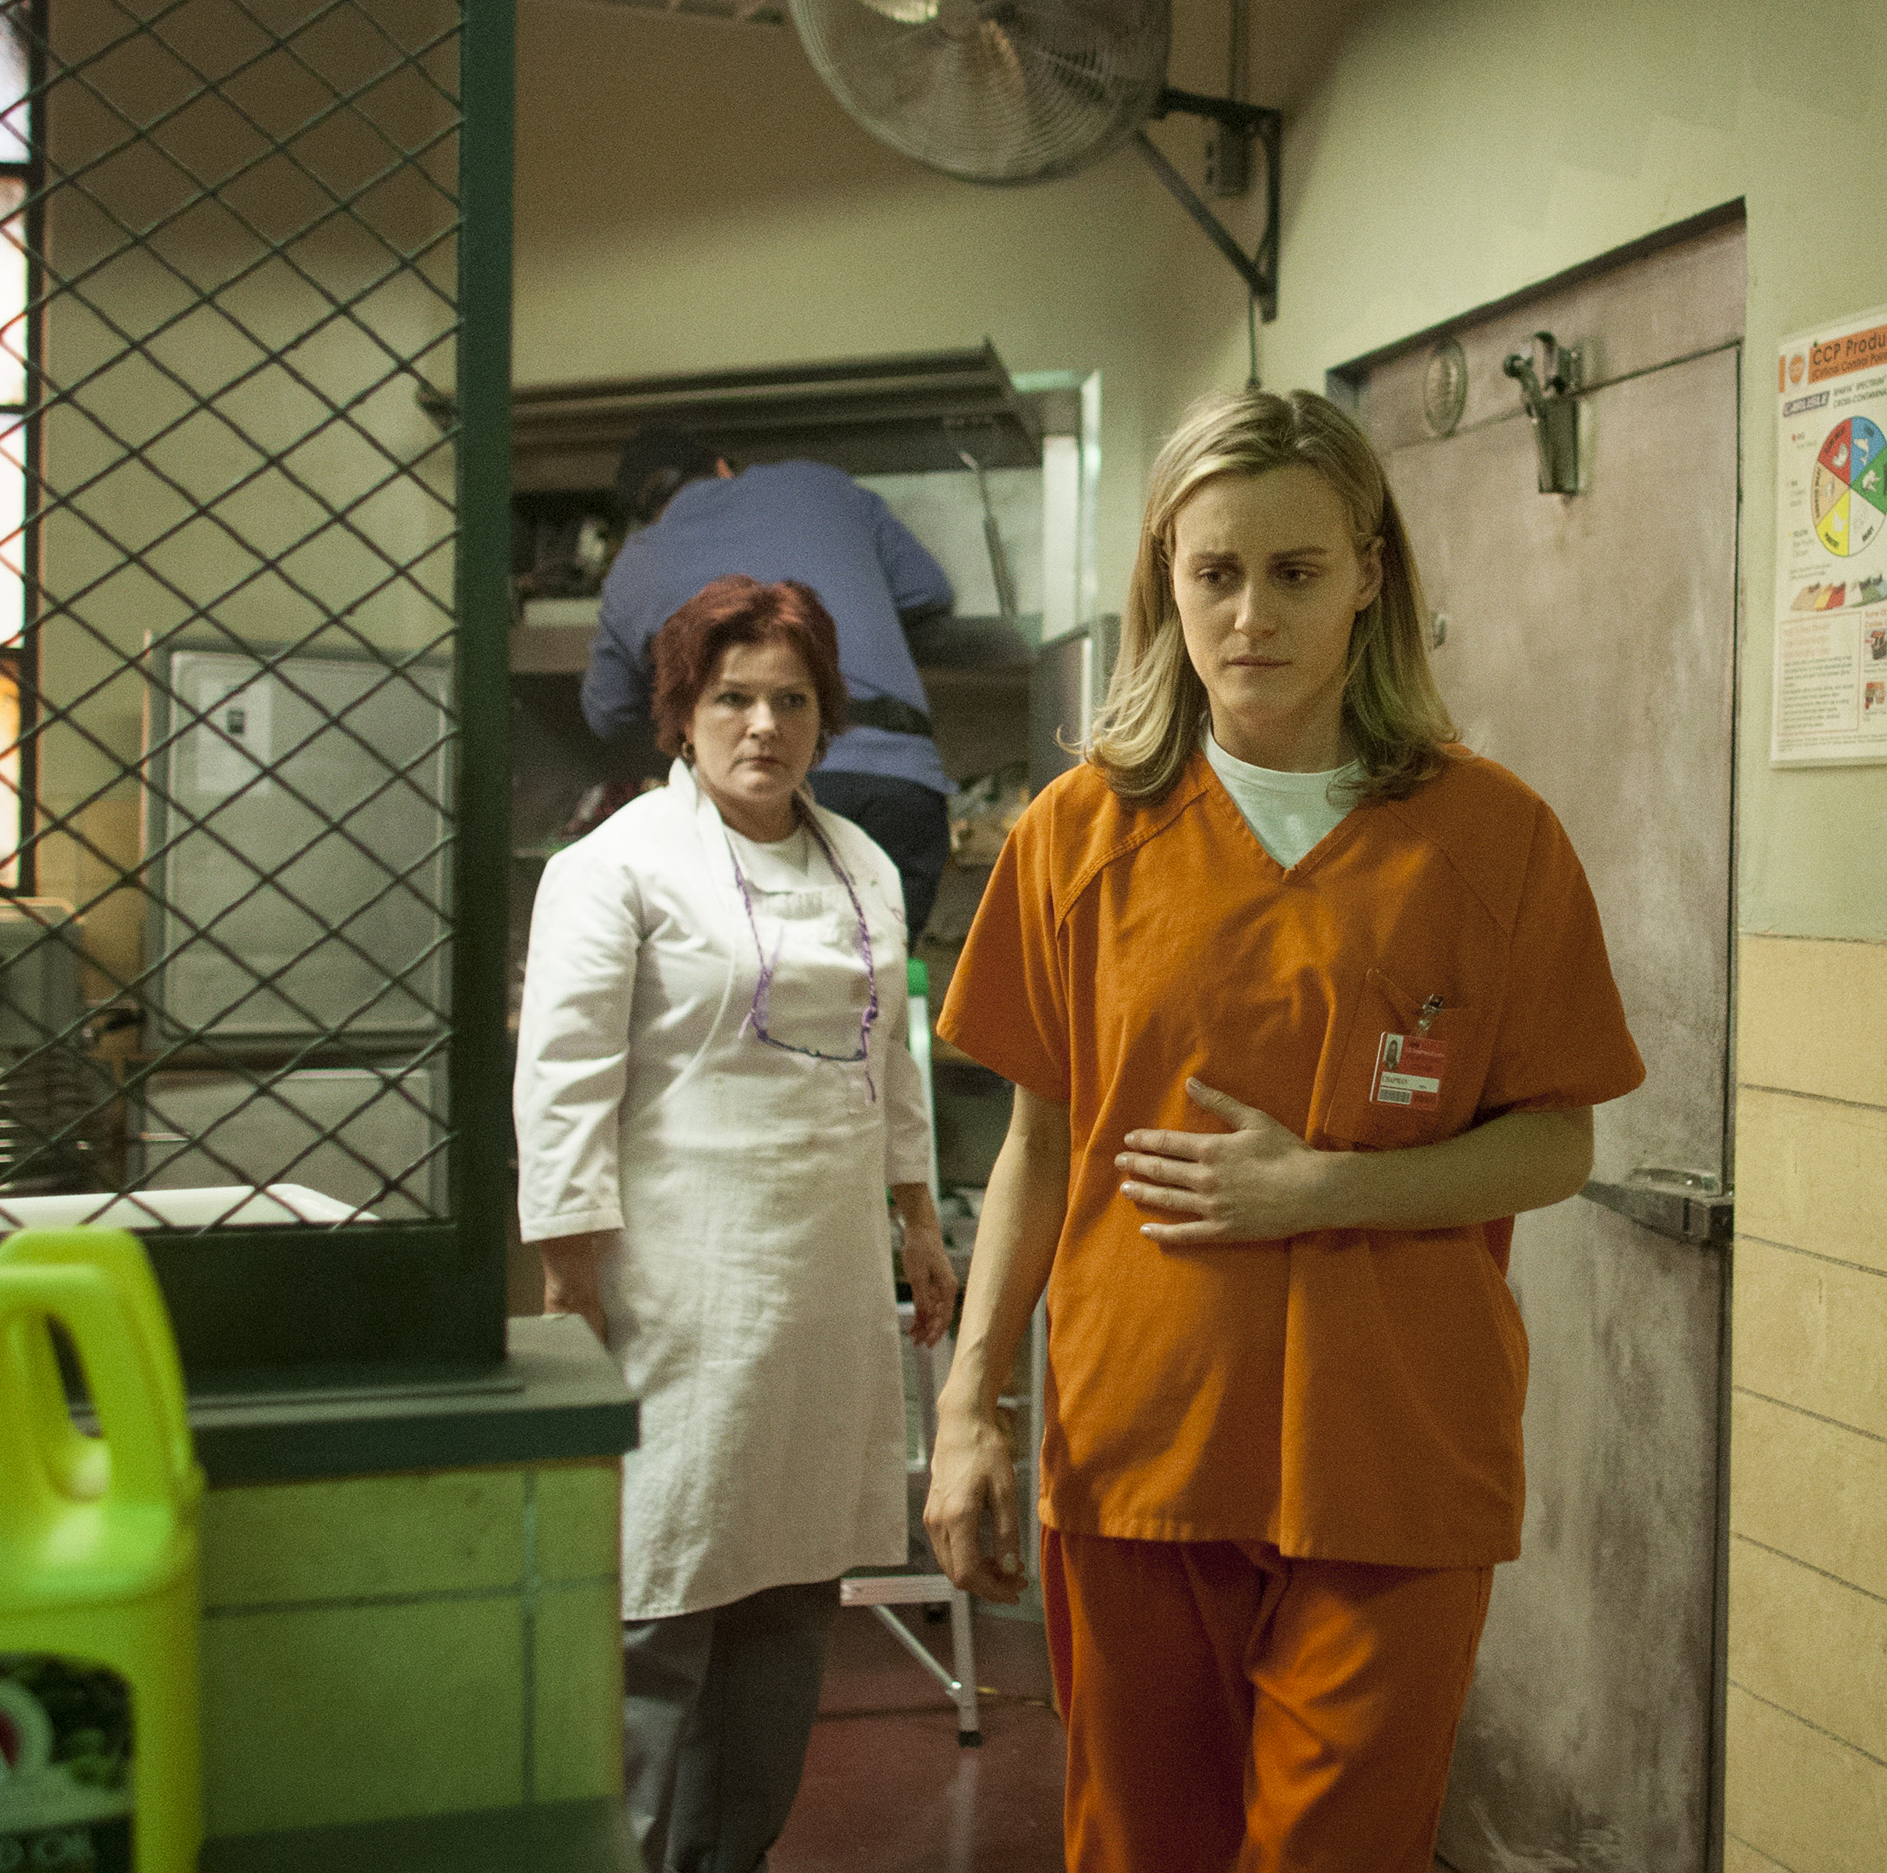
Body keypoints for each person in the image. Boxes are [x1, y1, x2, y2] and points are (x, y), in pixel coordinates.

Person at [921, 389, 1644, 1870]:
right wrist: (966, 1405)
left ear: (1371, 573)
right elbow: (1036, 1150)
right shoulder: (1077, 831)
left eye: (1298, 572)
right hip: (1142, 1449)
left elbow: (1556, 1140)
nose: (1253, 614)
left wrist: (1323, 1185)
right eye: (1216, 573)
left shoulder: (1491, 835)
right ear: (1165, 581)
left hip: (1394, 1454)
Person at [518, 575, 960, 1873]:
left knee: (789, 1593)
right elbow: (563, 1076)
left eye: (790, 698)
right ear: (682, 712)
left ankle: (736, 1851)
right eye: (733, 698)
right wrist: (568, 1275)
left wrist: (918, 1220)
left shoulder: (864, 863)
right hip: (673, 1287)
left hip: (821, 1290)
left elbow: (894, 1063)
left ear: (824, 715)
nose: (763, 724)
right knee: (665, 1594)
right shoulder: (616, 866)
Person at [585, 425, 959, 943]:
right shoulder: (820, 484)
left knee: (771, 998)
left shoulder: (636, 562)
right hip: (900, 781)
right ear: (720, 466)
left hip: (765, 798)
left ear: (644, 510)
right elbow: (929, 591)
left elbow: (607, 712)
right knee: (871, 990)